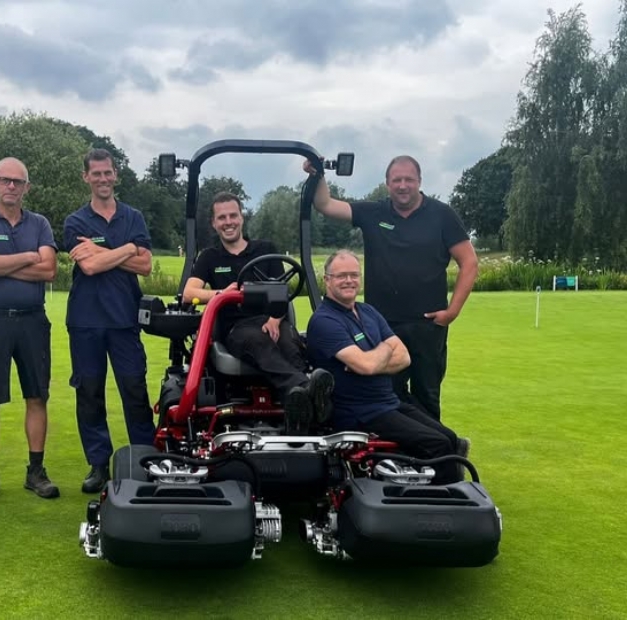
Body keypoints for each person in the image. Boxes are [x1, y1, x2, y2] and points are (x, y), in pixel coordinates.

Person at [305, 155, 478, 421]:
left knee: (427, 396)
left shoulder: (442, 215)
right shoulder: (374, 212)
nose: (403, 185)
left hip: (427, 325)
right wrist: (317, 173)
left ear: (419, 181)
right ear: (387, 183)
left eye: (409, 179)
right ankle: (394, 447)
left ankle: (432, 446)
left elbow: (469, 262)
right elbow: (325, 204)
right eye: (397, 180)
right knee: (385, 396)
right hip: (380, 326)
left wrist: (452, 312)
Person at [306, 251, 467, 485]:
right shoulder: (325, 321)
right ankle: (445, 498)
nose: (349, 281)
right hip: (360, 412)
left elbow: (404, 358)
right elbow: (367, 364)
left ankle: (436, 488)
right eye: (341, 276)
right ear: (327, 280)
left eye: (354, 275)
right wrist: (383, 350)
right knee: (437, 444)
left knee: (449, 437)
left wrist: (371, 361)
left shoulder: (368, 312)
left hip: (388, 402)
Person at [182, 192, 334, 432]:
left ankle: (297, 412)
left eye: (233, 215)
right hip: (237, 329)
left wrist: (275, 319)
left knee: (289, 343)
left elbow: (281, 290)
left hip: (272, 320)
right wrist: (221, 293)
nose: (228, 222)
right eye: (222, 217)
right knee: (258, 341)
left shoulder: (266, 250)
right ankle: (307, 390)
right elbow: (189, 292)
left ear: (242, 217)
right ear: (214, 223)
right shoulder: (209, 257)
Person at [0, 158, 59, 505]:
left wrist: (1, 263)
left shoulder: (40, 223)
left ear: (27, 187)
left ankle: (36, 472)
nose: (11, 186)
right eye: (5, 180)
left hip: (33, 320)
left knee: (37, 396)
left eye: (18, 182)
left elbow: (49, 270)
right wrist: (29, 257)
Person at [64, 148, 155, 494]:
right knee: (90, 393)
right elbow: (89, 267)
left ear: (115, 175)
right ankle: (99, 464)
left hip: (124, 319)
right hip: (85, 320)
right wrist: (128, 249)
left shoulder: (133, 217)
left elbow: (145, 265)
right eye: (96, 173)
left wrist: (105, 251)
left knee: (134, 390)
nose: (102, 179)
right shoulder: (75, 221)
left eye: (107, 172)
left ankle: (146, 461)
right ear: (86, 177)